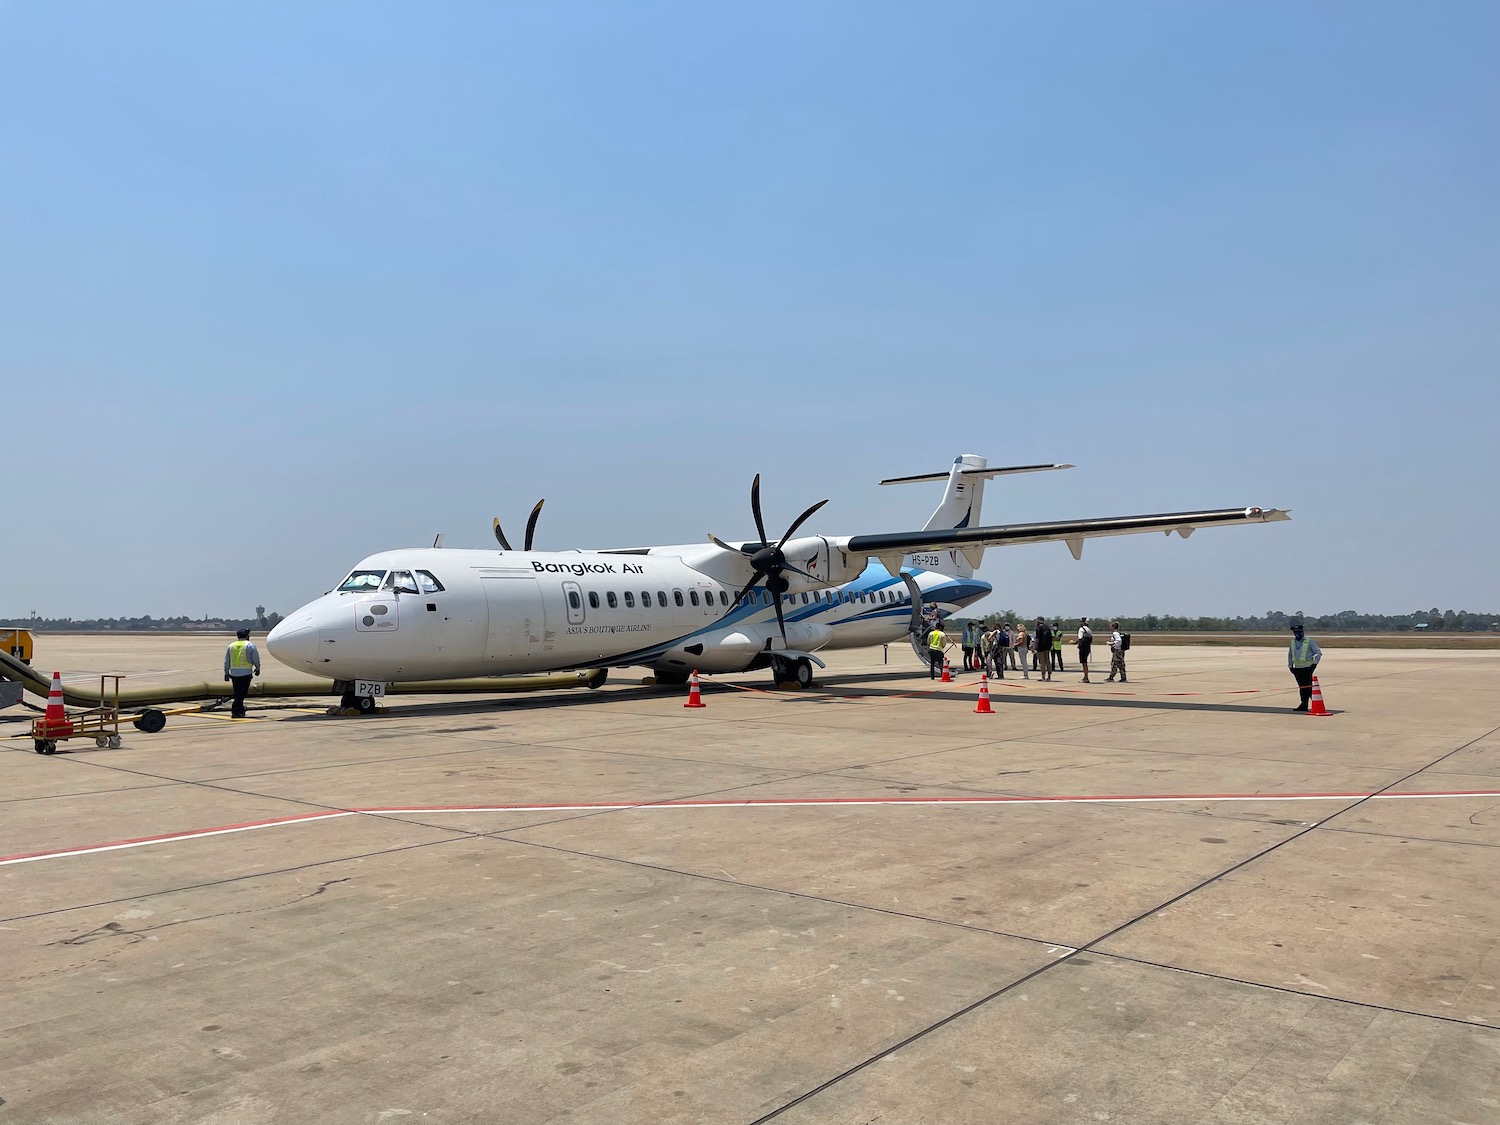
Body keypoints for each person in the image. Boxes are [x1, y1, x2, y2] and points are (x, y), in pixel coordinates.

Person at [224, 627, 261, 719]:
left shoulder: (231, 646)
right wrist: (257, 668)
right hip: (245, 673)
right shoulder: (250, 645)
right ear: (247, 636)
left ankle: (239, 710)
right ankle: (236, 710)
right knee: (241, 694)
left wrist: (226, 672)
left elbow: (227, 661)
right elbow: (255, 658)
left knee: (238, 692)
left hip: (234, 673)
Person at [1287, 619, 1322, 711]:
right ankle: (1304, 704)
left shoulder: (1309, 641)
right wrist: (1290, 666)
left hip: (1307, 668)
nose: (1297, 634)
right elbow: (1290, 654)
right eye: (1295, 632)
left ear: (1302, 632)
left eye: (1298, 632)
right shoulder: (1292, 642)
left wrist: (1314, 664)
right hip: (1297, 669)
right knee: (1302, 688)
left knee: (1308, 688)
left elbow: (1318, 652)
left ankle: (1316, 703)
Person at [1034, 617, 1053, 681]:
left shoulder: (1038, 628)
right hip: (1047, 647)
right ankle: (1049, 676)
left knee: (1042, 662)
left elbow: (1037, 638)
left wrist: (1035, 646)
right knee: (1047, 661)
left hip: (1040, 647)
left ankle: (1043, 676)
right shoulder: (1047, 627)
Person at [1076, 618, 1094, 683]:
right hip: (1088, 648)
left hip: (1083, 648)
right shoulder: (1089, 630)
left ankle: (1086, 677)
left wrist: (1074, 642)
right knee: (1085, 663)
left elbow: (1080, 639)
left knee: (1084, 663)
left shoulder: (1081, 629)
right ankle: (1085, 676)